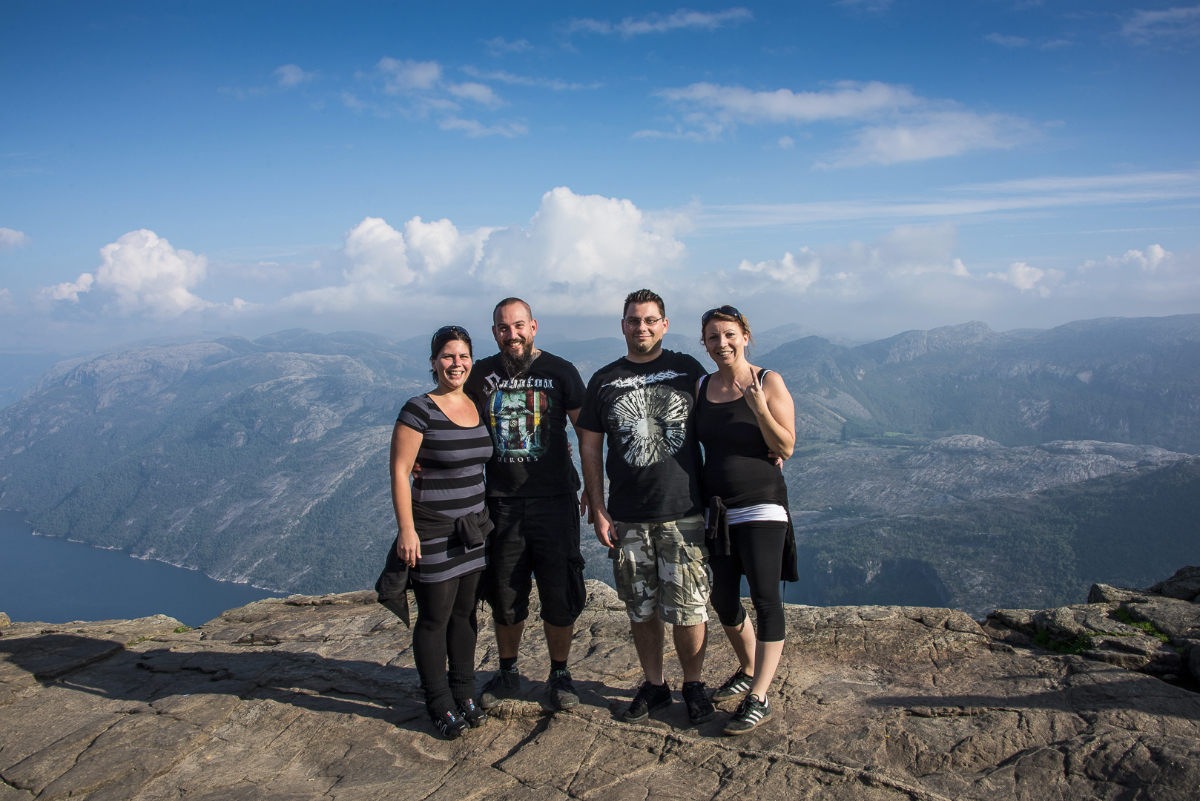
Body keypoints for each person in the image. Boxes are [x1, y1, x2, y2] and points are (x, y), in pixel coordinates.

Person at [577, 289, 716, 726]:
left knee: (689, 606)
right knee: (641, 608)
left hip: (684, 509)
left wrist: (763, 446)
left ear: (665, 325)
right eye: (634, 320)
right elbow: (590, 447)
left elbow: (721, 417)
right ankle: (654, 685)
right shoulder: (603, 380)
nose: (642, 327)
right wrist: (599, 507)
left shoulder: (688, 370)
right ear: (623, 325)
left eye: (651, 320)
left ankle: (693, 684)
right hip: (628, 514)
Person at [464, 298, 590, 712]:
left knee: (559, 588)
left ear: (533, 327)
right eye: (503, 328)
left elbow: (587, 435)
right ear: (494, 332)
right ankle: (508, 671)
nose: (512, 334)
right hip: (501, 503)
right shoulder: (480, 374)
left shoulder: (561, 371)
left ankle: (560, 673)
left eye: (519, 326)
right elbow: (453, 418)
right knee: (505, 591)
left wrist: (594, 489)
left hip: (555, 501)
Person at [695, 305, 797, 735]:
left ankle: (760, 695)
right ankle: (750, 667)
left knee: (765, 598)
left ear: (745, 336)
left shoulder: (768, 381)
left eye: (729, 335)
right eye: (713, 337)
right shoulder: (702, 386)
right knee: (722, 598)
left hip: (761, 505)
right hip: (718, 509)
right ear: (704, 344)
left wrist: (759, 408)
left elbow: (786, 446)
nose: (722, 343)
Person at [389, 325, 495, 739]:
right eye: (448, 356)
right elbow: (400, 471)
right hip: (432, 530)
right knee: (435, 617)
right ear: (433, 362)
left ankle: (464, 692)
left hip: (473, 530)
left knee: (465, 613)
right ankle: (438, 701)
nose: (456, 363)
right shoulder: (419, 409)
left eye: (463, 356)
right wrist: (406, 530)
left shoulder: (477, 404)